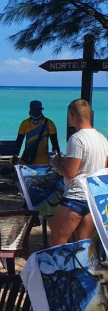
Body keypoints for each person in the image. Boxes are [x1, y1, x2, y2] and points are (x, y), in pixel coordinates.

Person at [49, 99, 108, 246]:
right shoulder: (103, 139)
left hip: (75, 197)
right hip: (92, 197)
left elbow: (70, 173)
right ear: (91, 115)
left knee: (58, 243)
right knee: (82, 245)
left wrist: (55, 162)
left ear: (71, 116)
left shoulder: (76, 138)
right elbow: (103, 168)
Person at [14, 100, 60, 165]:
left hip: (43, 161)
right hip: (27, 160)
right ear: (31, 110)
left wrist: (58, 157)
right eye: (35, 109)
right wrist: (15, 155)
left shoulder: (49, 123)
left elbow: (54, 143)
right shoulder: (24, 124)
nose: (37, 111)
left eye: (39, 110)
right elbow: (19, 142)